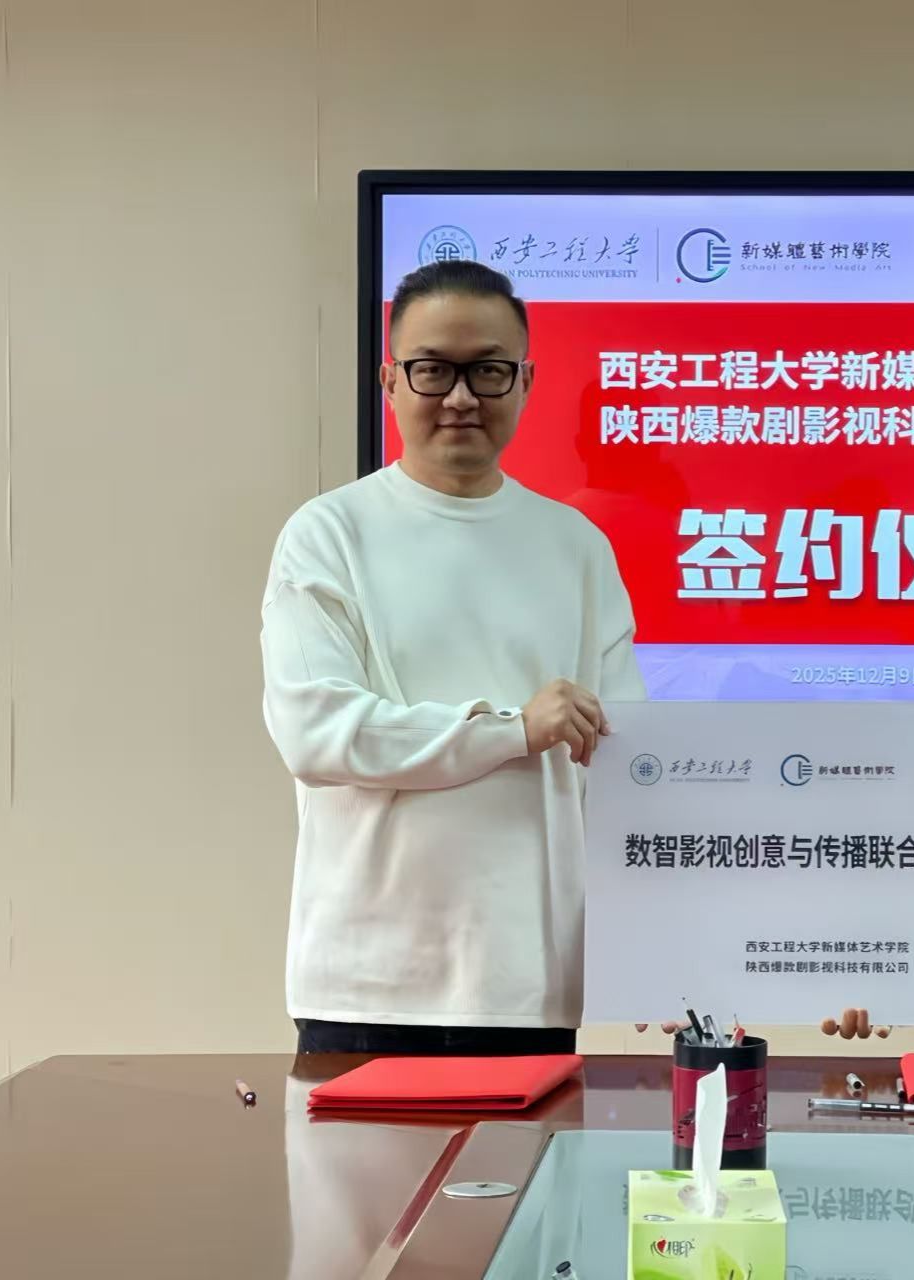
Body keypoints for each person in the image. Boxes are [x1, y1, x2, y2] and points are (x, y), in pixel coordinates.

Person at [260, 260, 644, 1056]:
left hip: (530, 983)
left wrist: (666, 951)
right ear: (390, 381)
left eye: (489, 370)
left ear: (526, 382)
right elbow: (318, 735)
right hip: (366, 978)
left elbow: (626, 771)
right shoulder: (328, 535)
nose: (462, 397)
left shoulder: (576, 547)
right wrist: (512, 729)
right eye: (433, 370)